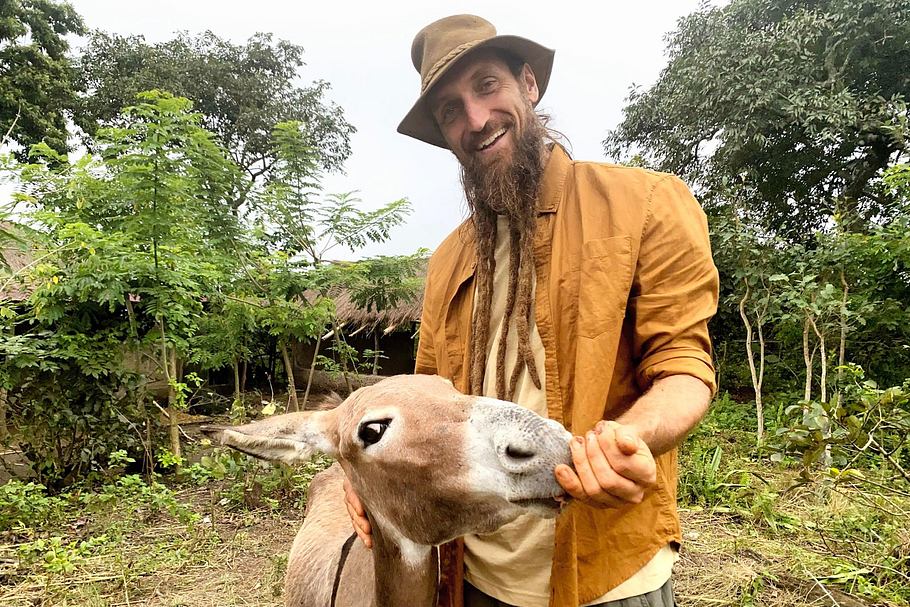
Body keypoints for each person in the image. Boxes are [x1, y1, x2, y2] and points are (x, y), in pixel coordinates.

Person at [344, 14, 718, 607]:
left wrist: (625, 439)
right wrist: (367, 471)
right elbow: (419, 391)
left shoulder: (642, 202)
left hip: (607, 575)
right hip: (474, 575)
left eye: (487, 86)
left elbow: (683, 366)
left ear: (529, 85)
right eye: (449, 109)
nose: (474, 119)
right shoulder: (448, 259)